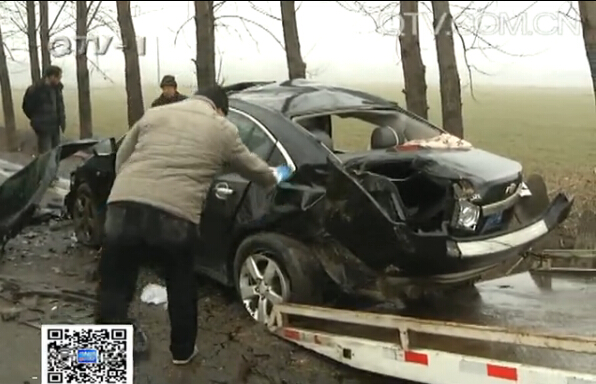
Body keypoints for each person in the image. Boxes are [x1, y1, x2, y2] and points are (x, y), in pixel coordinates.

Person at [95, 85, 291, 365]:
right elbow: (254, 169)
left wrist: (130, 189)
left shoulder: (155, 113)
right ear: (220, 109)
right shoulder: (222, 128)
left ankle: (104, 358)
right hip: (174, 216)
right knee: (180, 283)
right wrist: (277, 175)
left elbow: (122, 158)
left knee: (115, 282)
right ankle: (182, 352)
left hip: (123, 207)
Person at [22, 65, 66, 155]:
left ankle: (54, 169)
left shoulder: (57, 89)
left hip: (55, 126)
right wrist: (36, 120)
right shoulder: (35, 89)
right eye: (58, 77)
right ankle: (44, 169)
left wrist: (62, 121)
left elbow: (60, 107)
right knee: (46, 154)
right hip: (42, 127)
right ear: (51, 76)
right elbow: (27, 107)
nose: (59, 80)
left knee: (56, 153)